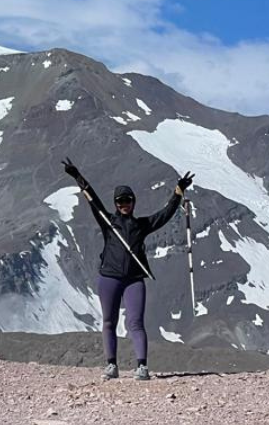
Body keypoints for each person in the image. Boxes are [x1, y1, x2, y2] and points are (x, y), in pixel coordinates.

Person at [62, 158, 194, 381]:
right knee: (108, 322)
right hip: (109, 278)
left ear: (134, 202)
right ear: (115, 204)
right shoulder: (108, 220)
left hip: (134, 279)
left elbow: (165, 214)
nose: (124, 204)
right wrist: (77, 176)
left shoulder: (142, 225)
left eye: (128, 201)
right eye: (120, 201)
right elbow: (91, 198)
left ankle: (142, 367)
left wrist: (178, 192)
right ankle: (111, 366)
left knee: (135, 322)